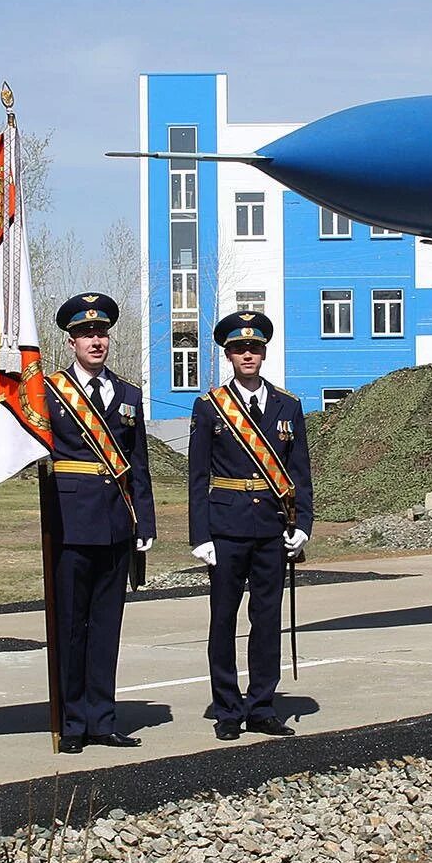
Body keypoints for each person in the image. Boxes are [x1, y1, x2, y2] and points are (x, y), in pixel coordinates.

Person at [187, 311, 313, 741]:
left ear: (263, 353)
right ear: (228, 354)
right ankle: (226, 708)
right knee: (222, 620)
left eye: (254, 348)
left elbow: (299, 472)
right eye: (240, 349)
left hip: (271, 529)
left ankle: (261, 706)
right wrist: (200, 535)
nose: (248, 355)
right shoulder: (210, 407)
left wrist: (304, 524)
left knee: (267, 620)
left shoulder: (288, 405)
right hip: (224, 527)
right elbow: (197, 476)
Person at [44, 292, 157, 754]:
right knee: (72, 625)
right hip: (71, 522)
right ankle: (73, 724)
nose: (95, 341)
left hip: (116, 523)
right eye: (86, 334)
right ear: (71, 342)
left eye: (101, 333)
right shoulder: (51, 392)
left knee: (107, 626)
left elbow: (139, 463)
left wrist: (144, 521)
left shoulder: (128, 394)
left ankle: (102, 719)